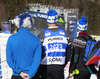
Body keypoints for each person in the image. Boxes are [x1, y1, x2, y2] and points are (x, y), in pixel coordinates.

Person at [6, 13, 42, 79]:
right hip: (32, 76)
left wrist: (20, 72)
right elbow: (37, 61)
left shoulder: (11, 39)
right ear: (30, 23)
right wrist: (30, 74)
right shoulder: (36, 40)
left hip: (17, 75)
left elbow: (9, 59)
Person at [38, 10, 72, 79]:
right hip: (59, 67)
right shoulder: (65, 34)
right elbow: (69, 53)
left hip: (45, 67)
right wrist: (63, 64)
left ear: (47, 20)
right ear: (57, 20)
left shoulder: (42, 34)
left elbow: (38, 53)